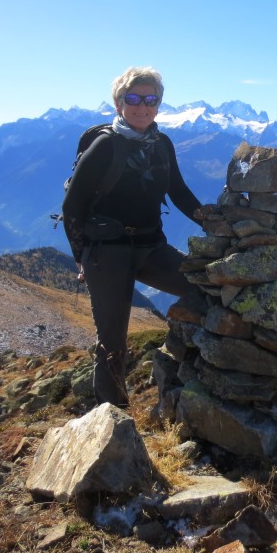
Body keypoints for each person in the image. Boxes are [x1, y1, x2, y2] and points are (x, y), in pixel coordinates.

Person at [61, 66, 204, 408]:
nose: (142, 106)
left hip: (150, 247)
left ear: (158, 104)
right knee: (113, 343)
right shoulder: (105, 146)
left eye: (150, 99)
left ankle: (198, 374)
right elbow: (72, 207)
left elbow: (180, 192)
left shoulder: (162, 144)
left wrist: (216, 224)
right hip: (106, 253)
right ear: (119, 102)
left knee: (203, 288)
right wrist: (82, 258)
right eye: (134, 98)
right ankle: (115, 421)